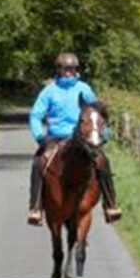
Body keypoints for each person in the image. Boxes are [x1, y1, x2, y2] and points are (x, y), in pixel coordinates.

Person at [27, 52, 122, 226]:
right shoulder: (49, 91)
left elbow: (97, 113)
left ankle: (110, 205)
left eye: (72, 69)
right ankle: (35, 207)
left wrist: (103, 134)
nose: (69, 72)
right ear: (59, 70)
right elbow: (35, 115)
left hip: (82, 138)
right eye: (66, 69)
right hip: (56, 137)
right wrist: (40, 136)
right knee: (38, 162)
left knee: (103, 161)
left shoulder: (84, 89)